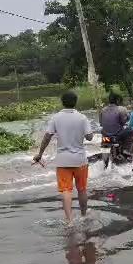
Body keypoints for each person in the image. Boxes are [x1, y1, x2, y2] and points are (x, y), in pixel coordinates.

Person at [34, 91, 94, 225]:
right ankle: (84, 214)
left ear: (62, 102)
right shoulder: (82, 118)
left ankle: (69, 220)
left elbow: (47, 136)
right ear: (75, 102)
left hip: (63, 160)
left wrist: (40, 154)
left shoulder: (56, 118)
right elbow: (90, 137)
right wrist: (88, 132)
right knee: (82, 189)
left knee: (66, 190)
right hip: (80, 160)